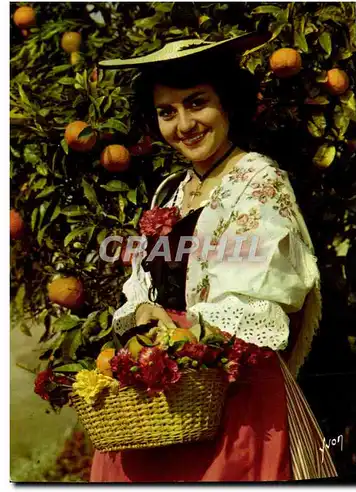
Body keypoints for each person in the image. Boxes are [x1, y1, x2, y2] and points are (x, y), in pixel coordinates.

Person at [91, 33, 338, 482]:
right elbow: (140, 285)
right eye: (167, 112)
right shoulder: (171, 190)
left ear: (227, 104)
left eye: (196, 103)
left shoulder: (258, 180)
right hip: (160, 400)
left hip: (231, 394)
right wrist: (141, 314)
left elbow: (265, 296)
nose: (184, 124)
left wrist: (185, 333)